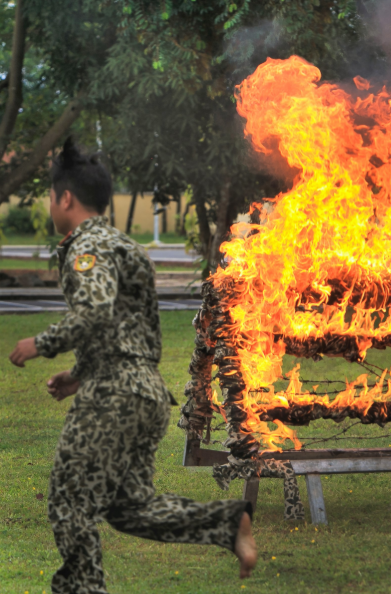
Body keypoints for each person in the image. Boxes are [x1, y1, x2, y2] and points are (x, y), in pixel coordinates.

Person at [8, 138, 257, 593]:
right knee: (129, 507)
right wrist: (79, 375)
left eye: (51, 196)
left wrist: (39, 344)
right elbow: (131, 327)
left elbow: (95, 312)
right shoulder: (124, 244)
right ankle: (227, 523)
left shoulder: (87, 248)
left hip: (115, 398)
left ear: (65, 198)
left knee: (68, 501)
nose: (51, 203)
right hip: (144, 393)